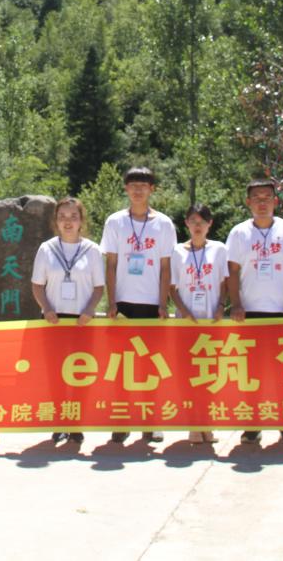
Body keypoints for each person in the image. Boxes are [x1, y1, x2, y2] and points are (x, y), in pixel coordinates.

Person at [225, 178, 283, 447]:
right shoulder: (239, 233)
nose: (262, 203)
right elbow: (232, 271)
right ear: (248, 202)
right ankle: (252, 425)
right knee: (251, 372)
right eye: (257, 198)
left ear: (276, 201)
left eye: (267, 198)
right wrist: (236, 304)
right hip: (249, 314)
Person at [99, 166, 176, 444]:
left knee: (150, 365)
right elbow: (111, 264)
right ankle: (121, 420)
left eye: (143, 185)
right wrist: (112, 301)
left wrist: (163, 302)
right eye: (133, 185)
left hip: (151, 304)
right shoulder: (115, 222)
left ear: (152, 189)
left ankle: (151, 422)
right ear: (126, 189)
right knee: (121, 364)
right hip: (123, 304)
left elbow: (166, 267)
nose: (138, 190)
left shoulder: (164, 224)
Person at [31, 196, 105, 446]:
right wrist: (46, 308)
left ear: (81, 220)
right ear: (55, 221)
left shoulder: (92, 250)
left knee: (80, 374)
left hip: (82, 321)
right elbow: (37, 285)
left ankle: (76, 423)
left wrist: (90, 310)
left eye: (73, 216)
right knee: (56, 373)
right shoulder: (47, 249)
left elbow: (98, 287)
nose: (68, 222)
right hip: (54, 320)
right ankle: (60, 422)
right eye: (62, 217)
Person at [168, 204, 227, 445]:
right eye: (193, 220)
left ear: (210, 224)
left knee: (212, 374)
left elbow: (225, 282)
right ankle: (193, 424)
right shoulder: (177, 252)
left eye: (202, 221)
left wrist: (221, 305)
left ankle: (208, 423)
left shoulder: (219, 249)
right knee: (189, 374)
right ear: (186, 224)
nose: (197, 225)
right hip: (187, 323)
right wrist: (183, 311)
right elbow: (172, 287)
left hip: (211, 321)